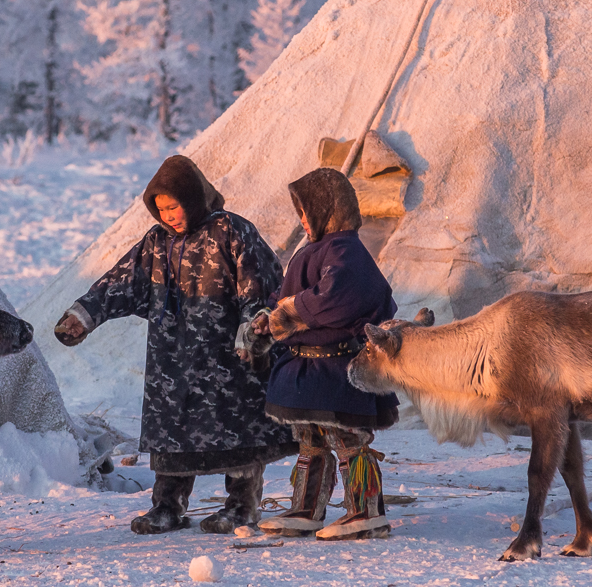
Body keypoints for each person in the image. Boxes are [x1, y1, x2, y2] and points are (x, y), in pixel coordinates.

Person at [54, 155, 297, 535]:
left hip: (228, 359)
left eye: (174, 206)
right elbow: (122, 282)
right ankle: (167, 506)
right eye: (161, 208)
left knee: (238, 432)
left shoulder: (232, 231)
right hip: (172, 360)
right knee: (171, 432)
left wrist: (253, 328)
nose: (168, 215)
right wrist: (85, 314)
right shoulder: (156, 243)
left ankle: (241, 505)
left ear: (194, 198)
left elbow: (260, 284)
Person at [253, 167, 399, 540]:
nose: (302, 220)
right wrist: (267, 315)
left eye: (306, 211)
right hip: (307, 368)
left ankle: (365, 511)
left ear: (327, 210)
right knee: (311, 440)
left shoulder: (345, 250)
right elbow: (286, 292)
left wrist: (289, 313)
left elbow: (336, 295)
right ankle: (306, 508)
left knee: (347, 440)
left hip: (337, 369)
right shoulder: (312, 250)